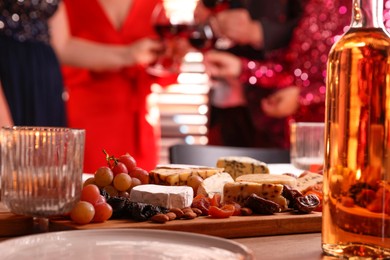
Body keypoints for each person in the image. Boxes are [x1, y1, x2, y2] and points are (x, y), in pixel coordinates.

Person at [50, 0, 167, 172]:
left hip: (139, 126)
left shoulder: (153, 3)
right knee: (90, 191)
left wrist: (173, 55)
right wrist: (129, 55)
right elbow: (58, 53)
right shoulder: (68, 3)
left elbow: (165, 70)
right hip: (88, 121)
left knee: (142, 191)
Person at [195, 0, 303, 149]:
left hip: (276, 107)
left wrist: (259, 32)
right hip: (225, 98)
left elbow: (317, 26)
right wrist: (209, 21)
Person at [0, 0, 67, 127]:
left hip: (44, 79)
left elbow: (63, 45)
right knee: (13, 144)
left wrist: (117, 55)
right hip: (9, 72)